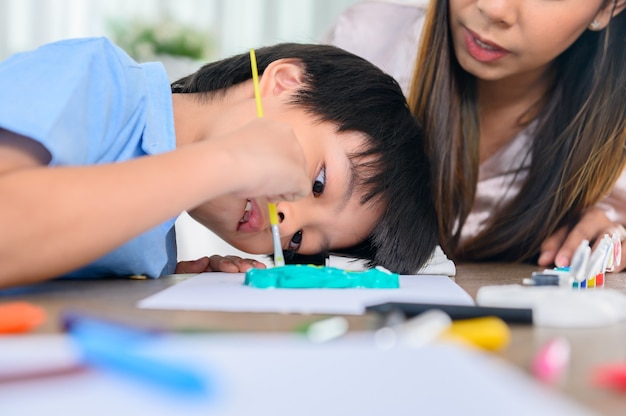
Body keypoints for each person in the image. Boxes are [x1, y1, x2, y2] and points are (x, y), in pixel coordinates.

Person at [0, 37, 438, 289]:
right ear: (283, 83)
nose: (284, 222)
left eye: (299, 240)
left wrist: (141, 273)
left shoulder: (158, 242)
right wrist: (223, 161)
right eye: (319, 182)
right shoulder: (95, 77)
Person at [325, 0, 626, 270]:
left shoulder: (614, 149)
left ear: (608, 7)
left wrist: (611, 240)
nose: (493, 9)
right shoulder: (366, 41)